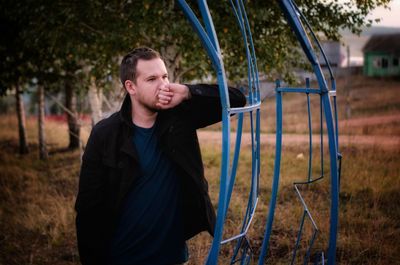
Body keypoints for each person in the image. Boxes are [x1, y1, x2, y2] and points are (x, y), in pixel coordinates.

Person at [75, 47, 246, 265]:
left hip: (172, 258)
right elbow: (88, 210)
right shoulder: (105, 134)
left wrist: (187, 91)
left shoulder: (179, 118)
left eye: (165, 76)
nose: (163, 85)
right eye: (152, 79)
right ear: (131, 87)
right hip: (122, 257)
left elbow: (237, 99)